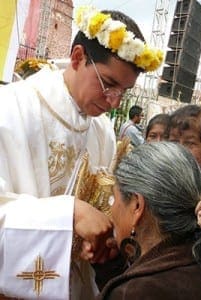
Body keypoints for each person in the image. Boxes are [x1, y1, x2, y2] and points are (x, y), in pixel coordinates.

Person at [0, 5, 163, 300]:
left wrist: (99, 243)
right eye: (108, 84)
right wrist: (69, 213)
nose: (114, 102)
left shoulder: (102, 132)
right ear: (77, 57)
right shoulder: (10, 110)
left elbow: (103, 207)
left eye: (124, 92)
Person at [97, 142, 201, 299]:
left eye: (114, 198)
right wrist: (111, 266)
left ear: (137, 205)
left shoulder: (135, 292)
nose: (112, 209)